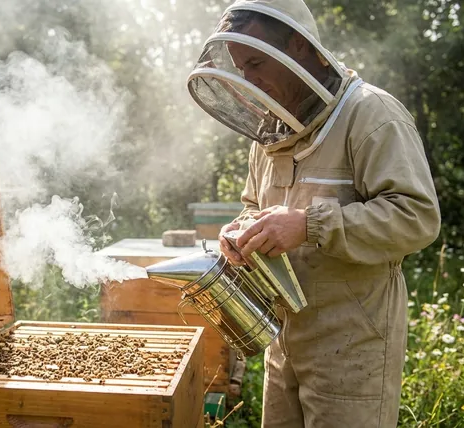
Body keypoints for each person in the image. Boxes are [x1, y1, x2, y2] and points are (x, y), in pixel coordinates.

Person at [185, 0, 441, 427]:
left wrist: (309, 225)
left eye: (255, 62)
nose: (248, 78)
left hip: (353, 346)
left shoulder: (372, 115)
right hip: (283, 342)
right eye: (240, 66)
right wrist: (242, 229)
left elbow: (416, 217)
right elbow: (255, 205)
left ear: (299, 49)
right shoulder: (270, 132)